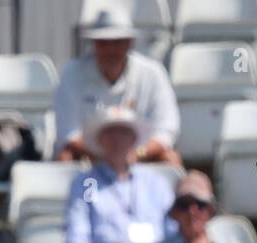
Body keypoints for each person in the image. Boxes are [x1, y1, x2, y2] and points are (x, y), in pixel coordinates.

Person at [53, 7, 180, 167]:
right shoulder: (72, 73)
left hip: (140, 157)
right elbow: (69, 134)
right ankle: (80, 192)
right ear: (94, 44)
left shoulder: (153, 73)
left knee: (170, 159)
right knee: (64, 158)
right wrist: (108, 157)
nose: (111, 50)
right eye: (103, 43)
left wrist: (135, 154)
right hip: (88, 159)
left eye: (118, 42)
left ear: (129, 43)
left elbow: (165, 130)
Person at [65, 106, 176, 243]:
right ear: (100, 140)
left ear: (134, 139)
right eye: (110, 133)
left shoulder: (155, 182)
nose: (117, 139)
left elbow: (172, 227)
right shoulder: (88, 183)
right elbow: (78, 229)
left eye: (123, 132)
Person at [148, 171, 249, 243]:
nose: (192, 211)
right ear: (175, 212)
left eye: (200, 204)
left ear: (210, 210)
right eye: (184, 205)